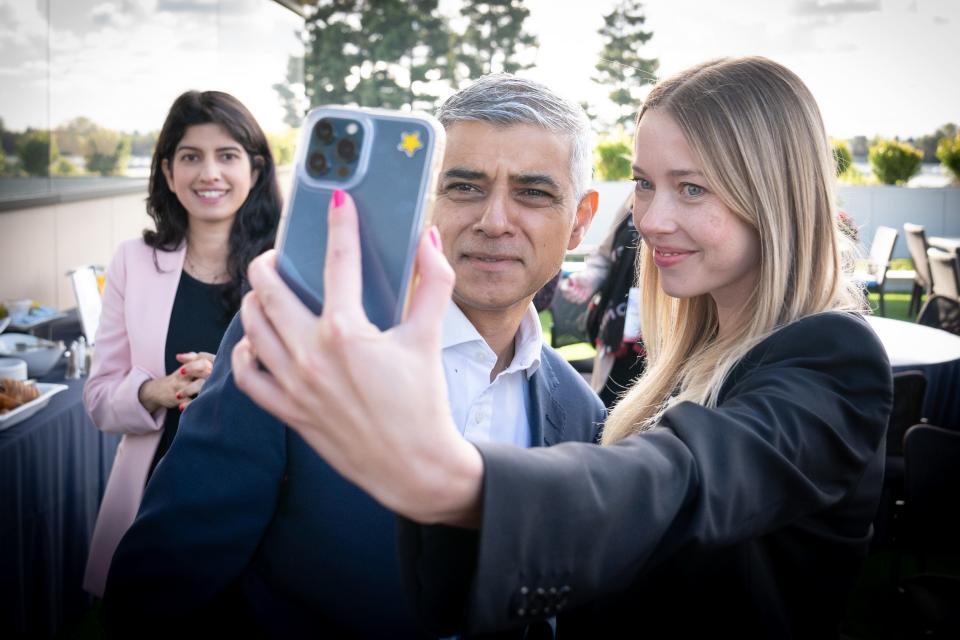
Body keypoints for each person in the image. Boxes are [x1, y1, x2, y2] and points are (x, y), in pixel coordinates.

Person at [233, 56, 893, 638]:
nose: (651, 219)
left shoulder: (834, 360)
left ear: (772, 198)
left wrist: (452, 480)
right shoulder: (683, 362)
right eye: (645, 183)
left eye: (692, 187)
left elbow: (683, 481)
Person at [101, 75, 604, 637]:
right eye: (464, 187)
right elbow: (157, 586)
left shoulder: (583, 417)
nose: (494, 220)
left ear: (581, 219)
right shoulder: (294, 343)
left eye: (533, 193)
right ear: (425, 198)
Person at [82, 90, 281, 598]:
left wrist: (229, 384)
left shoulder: (287, 266)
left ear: (255, 170)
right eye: (191, 156)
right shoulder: (132, 261)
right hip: (156, 503)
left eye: (228, 155)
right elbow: (99, 400)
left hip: (267, 510)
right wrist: (158, 391)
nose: (209, 173)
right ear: (169, 173)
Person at [559, 193, 646, 407]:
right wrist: (588, 280)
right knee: (607, 413)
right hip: (618, 338)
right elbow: (605, 255)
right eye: (641, 180)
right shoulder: (631, 202)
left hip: (661, 342)